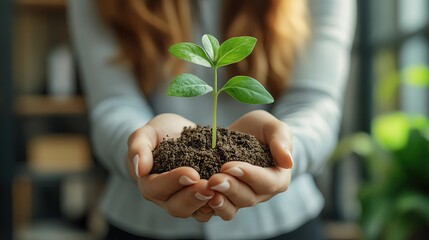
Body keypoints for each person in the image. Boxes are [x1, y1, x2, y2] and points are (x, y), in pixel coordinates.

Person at [69, 0, 356, 239]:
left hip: (286, 223)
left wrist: (285, 150)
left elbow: (314, 102)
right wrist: (140, 149)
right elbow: (113, 103)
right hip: (140, 224)